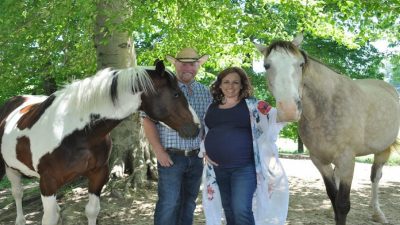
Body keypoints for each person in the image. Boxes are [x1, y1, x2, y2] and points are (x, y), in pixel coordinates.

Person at [200, 67, 289, 225]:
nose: (230, 86)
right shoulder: (211, 107)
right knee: (228, 209)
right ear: (219, 85)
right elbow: (206, 132)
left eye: (236, 82)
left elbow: (278, 117)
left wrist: (287, 95)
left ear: (242, 85)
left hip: (244, 168)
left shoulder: (253, 105)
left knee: (241, 209)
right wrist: (204, 150)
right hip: (218, 168)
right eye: (226, 82)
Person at [141, 47, 212, 225]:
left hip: (196, 157)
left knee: (188, 203)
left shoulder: (206, 92)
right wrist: (158, 151)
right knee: (169, 203)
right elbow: (147, 120)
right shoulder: (162, 90)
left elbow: (208, 124)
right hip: (171, 157)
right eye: (183, 64)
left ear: (198, 66)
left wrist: (207, 149)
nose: (188, 68)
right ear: (176, 65)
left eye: (192, 64)